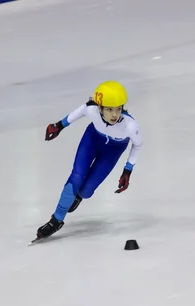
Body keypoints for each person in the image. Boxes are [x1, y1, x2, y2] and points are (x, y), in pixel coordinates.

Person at [35, 80, 145, 240]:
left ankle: (78, 196)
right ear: (100, 108)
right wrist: (59, 125)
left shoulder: (130, 126)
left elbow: (138, 145)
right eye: (109, 109)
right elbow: (80, 111)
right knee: (77, 176)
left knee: (86, 191)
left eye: (118, 109)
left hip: (114, 149)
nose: (115, 114)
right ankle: (56, 220)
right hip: (92, 139)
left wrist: (128, 170)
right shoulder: (92, 109)